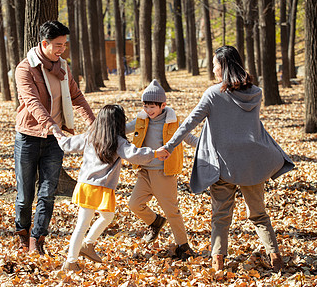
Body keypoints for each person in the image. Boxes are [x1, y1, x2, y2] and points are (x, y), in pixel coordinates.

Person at [162, 46, 295, 272]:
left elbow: (189, 123)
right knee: (259, 214)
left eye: (214, 64)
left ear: (223, 66)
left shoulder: (214, 94)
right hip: (252, 164)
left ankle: (218, 263)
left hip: (222, 166)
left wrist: (169, 146)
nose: (213, 69)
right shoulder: (256, 92)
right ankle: (275, 257)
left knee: (221, 216)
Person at [51, 105, 168, 272]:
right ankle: (70, 262)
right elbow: (134, 154)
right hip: (98, 187)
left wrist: (56, 131)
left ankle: (88, 245)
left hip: (88, 185)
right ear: (118, 124)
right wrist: (156, 153)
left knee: (107, 216)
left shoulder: (92, 136)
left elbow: (67, 144)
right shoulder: (117, 141)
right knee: (82, 224)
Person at [14, 20, 95, 255]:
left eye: (65, 45)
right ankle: (22, 233)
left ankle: (37, 240)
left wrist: (94, 123)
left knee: (48, 193)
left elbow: (76, 96)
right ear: (44, 43)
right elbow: (32, 102)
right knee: (24, 195)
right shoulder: (25, 69)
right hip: (28, 136)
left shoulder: (63, 67)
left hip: (54, 141)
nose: (62, 50)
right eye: (58, 45)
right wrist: (52, 126)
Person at [125, 79, 198, 260]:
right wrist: (106, 129)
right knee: (134, 204)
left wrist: (205, 146)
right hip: (144, 172)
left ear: (163, 105)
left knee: (171, 211)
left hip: (163, 173)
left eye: (152, 107)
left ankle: (184, 246)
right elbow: (124, 128)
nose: (148, 111)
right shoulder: (142, 119)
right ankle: (155, 222)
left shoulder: (172, 122)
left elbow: (187, 137)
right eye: (145, 106)